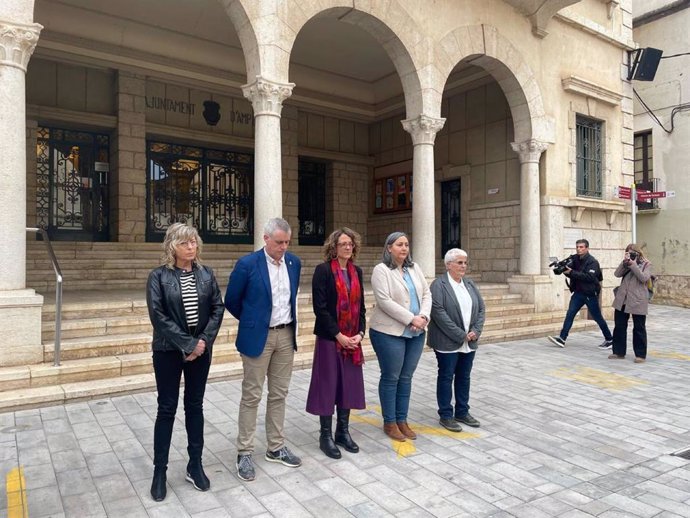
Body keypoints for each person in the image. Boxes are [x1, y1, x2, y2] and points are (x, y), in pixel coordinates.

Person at [146, 223, 225, 501]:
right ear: (172, 247)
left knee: (195, 406)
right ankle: (159, 471)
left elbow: (217, 307)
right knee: (167, 408)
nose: (191, 247)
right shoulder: (158, 277)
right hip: (168, 350)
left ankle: (195, 464)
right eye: (184, 243)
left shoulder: (206, 274)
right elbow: (158, 316)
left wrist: (202, 342)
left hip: (200, 352)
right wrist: (188, 343)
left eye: (193, 241)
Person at [225, 218, 302, 482]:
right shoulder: (248, 264)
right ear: (266, 238)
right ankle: (245, 451)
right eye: (279, 242)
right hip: (259, 337)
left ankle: (276, 447)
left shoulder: (294, 263)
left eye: (287, 242)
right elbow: (232, 301)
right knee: (252, 395)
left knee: (279, 394)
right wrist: (253, 322)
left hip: (286, 335)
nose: (284, 247)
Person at [306, 228, 366, 459]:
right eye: (343, 244)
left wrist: (360, 333)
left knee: (348, 386)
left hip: (352, 340)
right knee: (328, 385)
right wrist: (338, 335)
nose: (348, 247)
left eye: (350, 243)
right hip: (330, 339)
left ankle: (342, 431)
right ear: (334, 247)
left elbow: (360, 307)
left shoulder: (357, 272)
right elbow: (319, 309)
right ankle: (325, 435)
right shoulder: (323, 271)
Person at [369, 231, 431, 442]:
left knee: (406, 377)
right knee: (391, 377)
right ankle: (390, 422)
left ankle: (402, 420)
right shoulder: (381, 270)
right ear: (389, 248)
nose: (404, 248)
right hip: (389, 333)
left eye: (406, 244)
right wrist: (411, 319)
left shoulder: (415, 268)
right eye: (399, 245)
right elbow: (385, 301)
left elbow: (426, 294)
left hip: (416, 333)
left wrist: (423, 316)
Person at [427, 249, 486, 432]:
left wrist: (475, 331)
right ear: (448, 265)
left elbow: (481, 309)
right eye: (459, 263)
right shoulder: (439, 285)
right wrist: (462, 335)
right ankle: (445, 414)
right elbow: (439, 314)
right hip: (447, 342)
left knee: (464, 376)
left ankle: (462, 411)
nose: (463, 266)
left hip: (469, 341)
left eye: (465, 263)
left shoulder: (469, 283)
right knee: (446, 376)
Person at [548, 239, 613, 348]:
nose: (579, 249)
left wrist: (571, 272)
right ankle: (562, 338)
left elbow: (590, 277)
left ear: (587, 248)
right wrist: (564, 271)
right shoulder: (574, 259)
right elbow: (572, 274)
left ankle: (609, 339)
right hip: (578, 293)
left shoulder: (593, 262)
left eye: (581, 247)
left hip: (589, 294)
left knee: (597, 317)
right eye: (577, 247)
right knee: (570, 314)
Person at [609, 244, 653, 363]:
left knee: (639, 328)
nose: (631, 255)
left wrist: (633, 265)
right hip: (622, 299)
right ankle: (618, 352)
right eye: (628, 252)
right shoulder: (626, 263)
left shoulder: (646, 264)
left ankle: (640, 355)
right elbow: (617, 274)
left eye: (632, 252)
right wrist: (625, 263)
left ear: (638, 253)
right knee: (619, 326)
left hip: (638, 300)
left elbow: (643, 278)